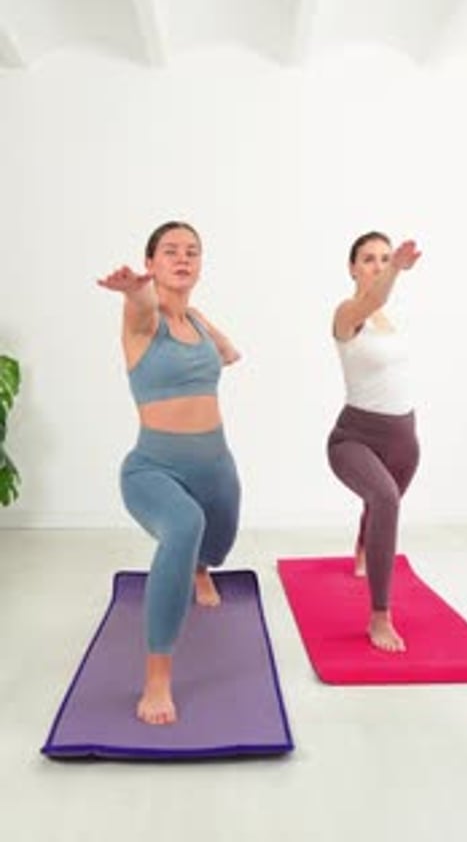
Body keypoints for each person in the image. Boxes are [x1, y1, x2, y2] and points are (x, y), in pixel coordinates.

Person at [98, 221, 241, 724]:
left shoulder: (196, 322)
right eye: (170, 252)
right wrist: (135, 290)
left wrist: (208, 326)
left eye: (192, 252)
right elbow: (140, 306)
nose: (183, 258)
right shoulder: (143, 322)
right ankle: (157, 677)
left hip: (216, 466)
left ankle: (201, 567)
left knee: (218, 541)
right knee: (183, 526)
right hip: (152, 469)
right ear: (152, 262)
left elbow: (230, 355)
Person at [327, 231, 421, 652]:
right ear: (352, 267)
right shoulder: (349, 313)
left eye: (385, 259)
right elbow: (373, 299)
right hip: (355, 437)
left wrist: (393, 273)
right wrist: (398, 270)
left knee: (381, 503)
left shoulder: (391, 319)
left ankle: (364, 546)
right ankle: (380, 617)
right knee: (385, 500)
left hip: (404, 438)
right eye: (369, 259)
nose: (378, 265)